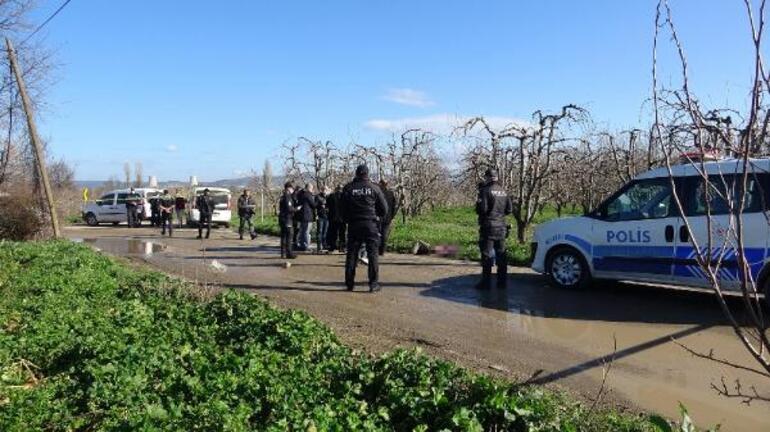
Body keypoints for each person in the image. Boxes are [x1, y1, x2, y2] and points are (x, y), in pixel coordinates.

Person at [341, 164, 388, 292]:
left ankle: (349, 284)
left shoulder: (348, 188)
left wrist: (347, 220)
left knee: (352, 255)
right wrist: (377, 216)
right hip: (370, 224)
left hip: (354, 225)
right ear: (367, 174)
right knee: (373, 255)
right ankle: (373, 284)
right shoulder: (374, 188)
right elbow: (384, 209)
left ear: (356, 174)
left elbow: (342, 210)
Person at [475, 168, 513, 289]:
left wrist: (478, 203)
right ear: (496, 177)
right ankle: (502, 282)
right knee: (501, 254)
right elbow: (509, 210)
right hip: (501, 226)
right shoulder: (504, 191)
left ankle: (486, 283)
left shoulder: (485, 191)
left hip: (489, 227)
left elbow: (482, 210)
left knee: (487, 254)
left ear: (487, 177)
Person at [279, 182, 299, 259]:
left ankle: (283, 253)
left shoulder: (282, 197)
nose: (292, 190)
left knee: (283, 236)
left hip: (282, 218)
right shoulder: (287, 197)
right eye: (292, 188)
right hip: (287, 219)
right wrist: (296, 209)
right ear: (288, 188)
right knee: (289, 236)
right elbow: (289, 208)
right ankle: (289, 253)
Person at [378, 179, 397, 256]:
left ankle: (377, 249)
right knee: (384, 235)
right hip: (388, 218)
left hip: (378, 217)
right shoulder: (391, 194)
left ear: (381, 184)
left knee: (377, 234)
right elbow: (394, 207)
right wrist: (392, 216)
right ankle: (382, 251)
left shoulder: (378, 193)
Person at [297, 183, 316, 251]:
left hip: (302, 216)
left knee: (303, 231)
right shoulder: (308, 195)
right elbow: (313, 205)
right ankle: (306, 246)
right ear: (309, 188)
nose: (312, 190)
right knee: (306, 232)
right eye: (311, 188)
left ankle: (302, 245)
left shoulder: (301, 194)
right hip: (307, 216)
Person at [327, 184, 346, 253]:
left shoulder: (331, 196)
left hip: (333, 217)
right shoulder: (345, 196)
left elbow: (327, 206)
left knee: (333, 233)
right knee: (342, 234)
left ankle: (332, 247)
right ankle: (342, 247)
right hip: (342, 218)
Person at [315, 186, 330, 252]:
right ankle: (319, 246)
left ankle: (324, 244)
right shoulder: (318, 196)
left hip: (327, 216)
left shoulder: (329, 197)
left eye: (326, 189)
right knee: (320, 231)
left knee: (325, 232)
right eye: (323, 189)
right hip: (320, 216)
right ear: (321, 190)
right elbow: (314, 205)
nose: (325, 191)